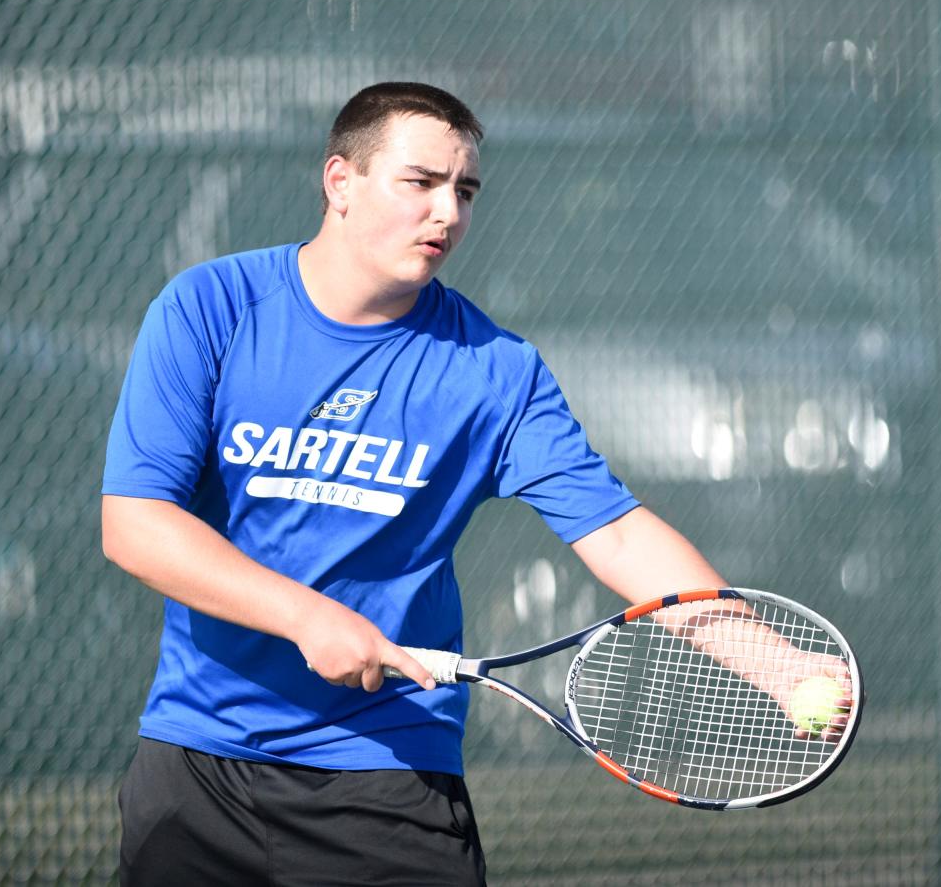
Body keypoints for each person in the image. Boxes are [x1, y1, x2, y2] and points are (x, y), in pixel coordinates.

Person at [101, 82, 846, 887]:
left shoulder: (496, 371)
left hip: (388, 773)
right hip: (197, 770)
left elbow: (622, 535)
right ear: (339, 183)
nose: (448, 213)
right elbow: (136, 524)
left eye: (464, 191)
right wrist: (304, 615)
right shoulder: (207, 310)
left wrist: (773, 662)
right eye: (419, 183)